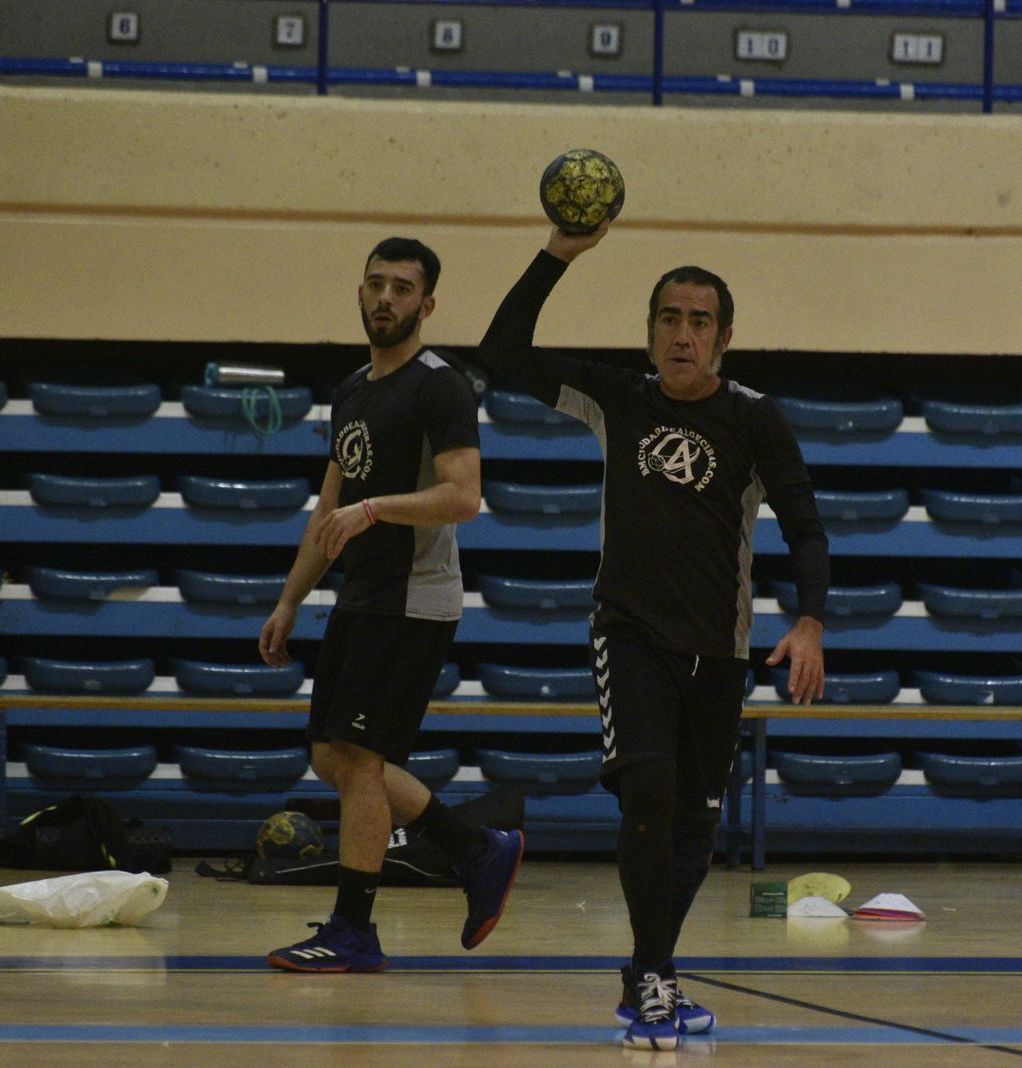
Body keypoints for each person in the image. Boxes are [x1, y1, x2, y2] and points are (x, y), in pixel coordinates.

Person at [475, 223, 828, 1049]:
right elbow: (501, 351)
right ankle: (657, 980)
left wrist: (810, 619)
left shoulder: (756, 419)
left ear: (725, 339)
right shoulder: (618, 398)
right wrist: (559, 254)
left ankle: (647, 972)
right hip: (628, 636)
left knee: (695, 830)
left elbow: (805, 526)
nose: (682, 334)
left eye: (700, 321)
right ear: (649, 331)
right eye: (669, 318)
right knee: (649, 794)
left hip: (721, 651)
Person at [259, 236, 523, 973]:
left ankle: (353, 929)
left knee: (361, 761)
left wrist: (375, 509)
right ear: (359, 293)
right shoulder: (351, 389)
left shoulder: (443, 385)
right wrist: (289, 600)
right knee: (332, 758)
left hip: (413, 598)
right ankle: (476, 848)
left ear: (426, 305)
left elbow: (463, 496)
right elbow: (329, 511)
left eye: (402, 288)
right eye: (376, 284)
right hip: (363, 594)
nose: (385, 297)